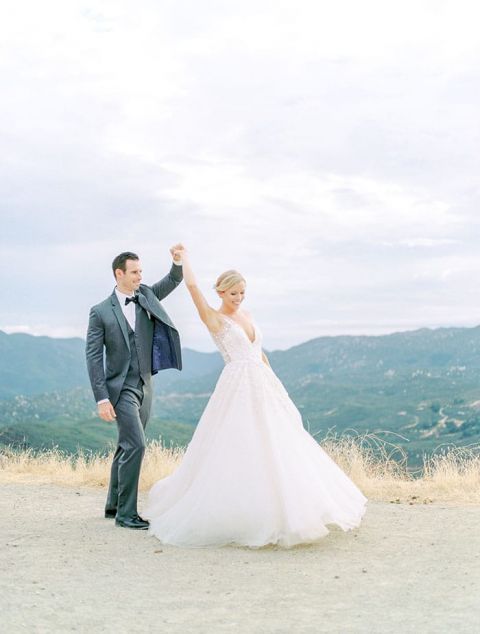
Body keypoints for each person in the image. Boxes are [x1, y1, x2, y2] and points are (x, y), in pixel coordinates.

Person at [144, 247, 367, 547]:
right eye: (233, 293)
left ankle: (290, 505)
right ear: (221, 292)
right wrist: (182, 260)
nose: (238, 298)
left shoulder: (247, 315)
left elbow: (258, 352)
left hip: (263, 383)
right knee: (239, 443)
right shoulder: (214, 318)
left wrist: (276, 384)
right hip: (236, 386)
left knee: (279, 441)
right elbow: (194, 287)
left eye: (242, 293)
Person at [85, 248, 183, 529]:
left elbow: (173, 281)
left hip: (145, 385)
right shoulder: (100, 312)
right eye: (135, 272)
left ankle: (113, 504)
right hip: (120, 389)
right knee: (136, 445)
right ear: (119, 274)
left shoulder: (146, 295)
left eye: (141, 271)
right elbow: (93, 357)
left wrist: (177, 261)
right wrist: (102, 398)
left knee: (125, 446)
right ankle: (126, 515)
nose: (140, 276)